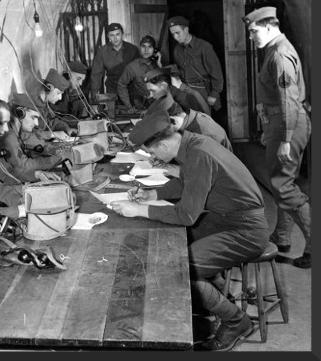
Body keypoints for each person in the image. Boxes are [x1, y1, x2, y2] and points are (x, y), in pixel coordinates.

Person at [111, 111, 269, 351]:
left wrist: (138, 210)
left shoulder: (199, 154)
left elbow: (186, 215)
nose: (154, 157)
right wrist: (152, 194)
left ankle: (237, 321)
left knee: (180, 268)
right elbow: (186, 182)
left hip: (246, 230)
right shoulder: (193, 143)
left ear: (163, 144)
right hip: (227, 218)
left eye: (153, 152)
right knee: (168, 246)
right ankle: (206, 296)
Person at [243, 6, 311, 269]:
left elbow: (288, 101)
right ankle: (281, 237)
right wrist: (267, 127)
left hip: (288, 125)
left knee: (283, 187)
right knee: (283, 182)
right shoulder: (272, 48)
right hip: (280, 124)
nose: (251, 37)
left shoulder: (280, 54)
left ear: (269, 26)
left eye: (253, 31)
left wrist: (285, 139)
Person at [0, 93, 71, 183]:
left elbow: (35, 138)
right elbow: (23, 166)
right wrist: (57, 158)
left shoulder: (19, 129)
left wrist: (57, 149)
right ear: (20, 113)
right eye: (33, 117)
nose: (36, 123)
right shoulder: (9, 137)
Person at [168, 16, 224, 114]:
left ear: (186, 29)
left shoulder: (204, 47)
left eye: (177, 33)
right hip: (184, 90)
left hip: (202, 90)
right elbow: (180, 69)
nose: (175, 37)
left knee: (204, 120)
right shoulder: (177, 49)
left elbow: (216, 72)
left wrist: (214, 94)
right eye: (173, 34)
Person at [145, 92, 232, 151]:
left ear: (172, 120)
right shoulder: (189, 119)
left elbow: (204, 170)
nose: (161, 132)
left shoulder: (203, 133)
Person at [90, 22, 139, 103]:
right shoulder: (102, 51)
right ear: (108, 36)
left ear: (122, 34)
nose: (115, 38)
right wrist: (95, 96)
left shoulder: (133, 50)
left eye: (118, 34)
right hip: (112, 91)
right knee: (112, 113)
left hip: (130, 90)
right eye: (112, 35)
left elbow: (138, 74)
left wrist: (138, 97)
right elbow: (96, 74)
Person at [117, 35, 161, 113]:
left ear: (154, 50)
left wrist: (159, 64)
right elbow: (121, 84)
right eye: (143, 46)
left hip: (159, 107)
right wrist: (129, 106)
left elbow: (168, 86)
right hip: (141, 108)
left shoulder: (159, 65)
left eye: (150, 47)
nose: (146, 50)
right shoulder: (132, 67)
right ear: (140, 48)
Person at [33, 68, 77, 137]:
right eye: (58, 93)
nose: (60, 98)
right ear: (49, 88)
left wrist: (67, 129)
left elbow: (53, 122)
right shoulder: (32, 106)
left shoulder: (45, 104)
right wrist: (52, 135)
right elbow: (30, 135)